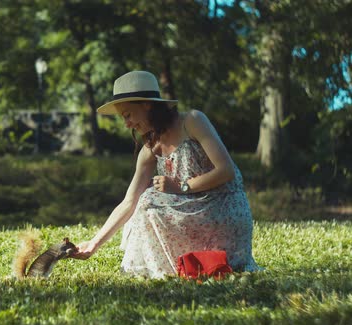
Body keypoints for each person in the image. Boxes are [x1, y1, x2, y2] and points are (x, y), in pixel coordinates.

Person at [71, 71, 261, 279]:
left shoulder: (193, 121)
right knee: (143, 204)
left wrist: (181, 187)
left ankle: (196, 263)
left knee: (149, 200)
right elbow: (128, 202)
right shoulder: (150, 148)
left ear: (146, 104)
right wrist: (94, 243)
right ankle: (176, 268)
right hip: (191, 214)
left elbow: (226, 171)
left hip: (224, 209)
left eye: (128, 115)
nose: (126, 124)